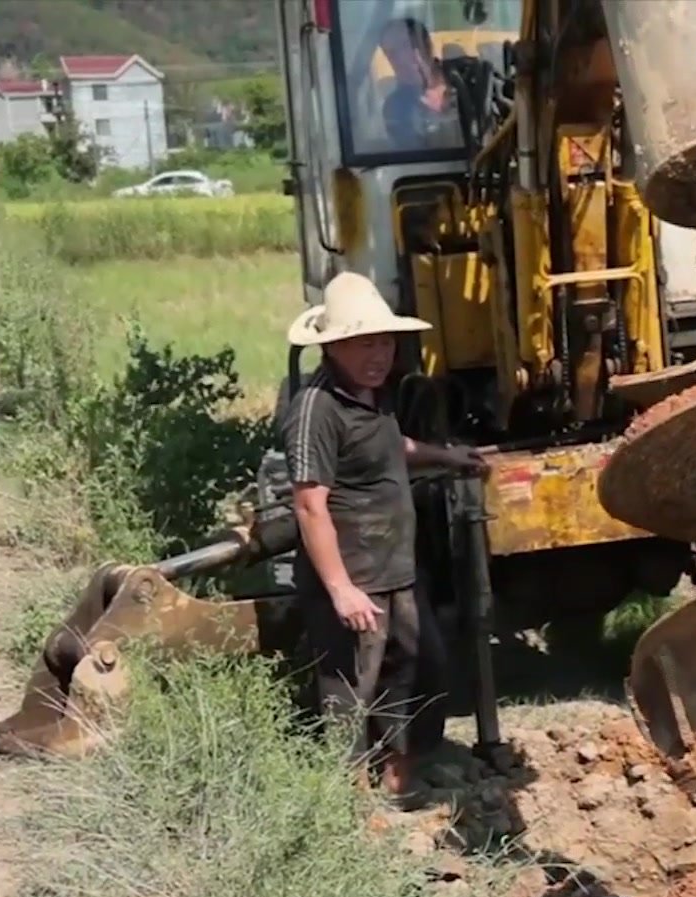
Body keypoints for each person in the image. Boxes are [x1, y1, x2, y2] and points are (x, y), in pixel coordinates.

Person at [282, 272, 485, 806]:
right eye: (364, 342)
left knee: (420, 667)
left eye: (384, 342)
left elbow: (392, 444)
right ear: (332, 346)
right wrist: (341, 589)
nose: (378, 353)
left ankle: (398, 780)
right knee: (351, 690)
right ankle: (350, 808)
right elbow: (309, 504)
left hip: (397, 571)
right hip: (355, 577)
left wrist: (446, 456)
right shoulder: (315, 410)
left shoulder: (376, 396)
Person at [377, 16, 459, 151]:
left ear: (426, 45)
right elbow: (416, 158)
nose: (399, 59)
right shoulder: (396, 108)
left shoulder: (467, 80)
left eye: (405, 46)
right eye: (391, 53)